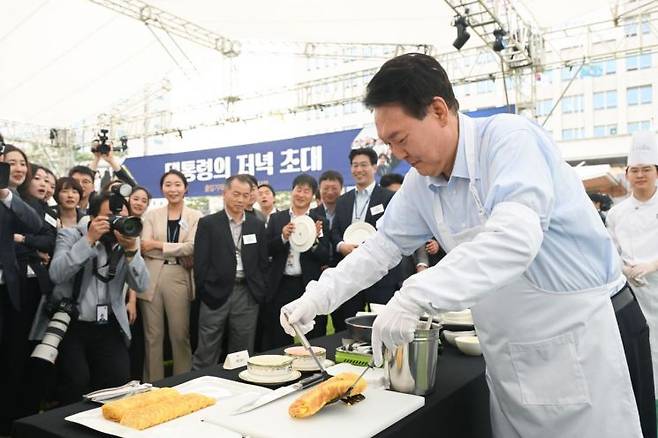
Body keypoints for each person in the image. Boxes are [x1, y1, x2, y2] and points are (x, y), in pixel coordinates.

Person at [280, 53, 645, 438]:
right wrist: (317, 299)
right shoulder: (423, 182)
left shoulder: (507, 139)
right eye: (390, 145)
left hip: (584, 337)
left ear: (438, 110)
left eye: (401, 139)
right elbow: (380, 248)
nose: (399, 155)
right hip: (509, 350)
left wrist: (414, 296)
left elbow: (514, 238)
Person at [31, 191, 148, 404]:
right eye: (110, 219)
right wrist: (89, 240)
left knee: (118, 378)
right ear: (93, 218)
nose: (117, 224)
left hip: (108, 324)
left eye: (121, 218)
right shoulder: (71, 235)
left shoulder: (127, 241)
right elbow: (56, 273)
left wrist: (131, 251)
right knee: (76, 381)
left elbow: (141, 285)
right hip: (73, 323)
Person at [606, 131, 658, 429]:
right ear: (627, 174)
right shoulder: (617, 213)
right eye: (634, 170)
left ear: (656, 172)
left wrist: (651, 265)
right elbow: (611, 251)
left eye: (646, 169)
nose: (640, 175)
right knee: (640, 366)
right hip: (631, 299)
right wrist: (625, 270)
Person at [192, 175, 268, 369]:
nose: (240, 200)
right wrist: (206, 291)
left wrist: (257, 290)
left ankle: (240, 390)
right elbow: (200, 264)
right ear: (224, 193)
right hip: (215, 293)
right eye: (236, 194)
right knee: (207, 349)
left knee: (242, 352)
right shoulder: (208, 223)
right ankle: (201, 388)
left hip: (247, 294)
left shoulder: (256, 225)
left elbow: (262, 262)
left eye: (245, 195)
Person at [0, 149, 47, 434]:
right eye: (10, 163)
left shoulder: (22, 200)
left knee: (13, 358)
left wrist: (6, 195)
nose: (17, 167)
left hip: (15, 290)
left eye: (21, 163)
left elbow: (36, 226)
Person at [329, 147, 401, 331]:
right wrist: (341, 246)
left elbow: (394, 230)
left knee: (383, 324)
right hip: (351, 271)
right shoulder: (343, 200)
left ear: (374, 167)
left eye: (364, 165)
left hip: (381, 273)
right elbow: (335, 230)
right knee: (349, 326)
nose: (358, 170)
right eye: (354, 165)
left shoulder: (388, 197)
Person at [140, 170, 201, 382]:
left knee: (179, 334)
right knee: (152, 336)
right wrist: (178, 248)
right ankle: (151, 384)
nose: (173, 189)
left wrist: (158, 245)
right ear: (162, 188)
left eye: (177, 184)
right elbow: (143, 247)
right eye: (168, 184)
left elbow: (192, 247)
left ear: (185, 188)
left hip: (179, 275)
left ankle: (181, 382)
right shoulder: (151, 215)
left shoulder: (195, 216)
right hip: (152, 275)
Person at [261, 174, 330, 349]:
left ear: (313, 196)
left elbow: (325, 256)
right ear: (292, 191)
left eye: (307, 191)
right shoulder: (277, 219)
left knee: (314, 334)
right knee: (279, 334)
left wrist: (314, 238)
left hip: (308, 285)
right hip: (281, 285)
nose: (301, 194)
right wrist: (283, 237)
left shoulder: (319, 220)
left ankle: (314, 368)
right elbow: (266, 249)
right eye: (298, 189)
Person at [126, 186, 151, 381]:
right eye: (136, 198)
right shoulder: (121, 223)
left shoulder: (145, 225)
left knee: (137, 340)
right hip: (123, 290)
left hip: (140, 285)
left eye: (144, 200)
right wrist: (131, 300)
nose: (139, 203)